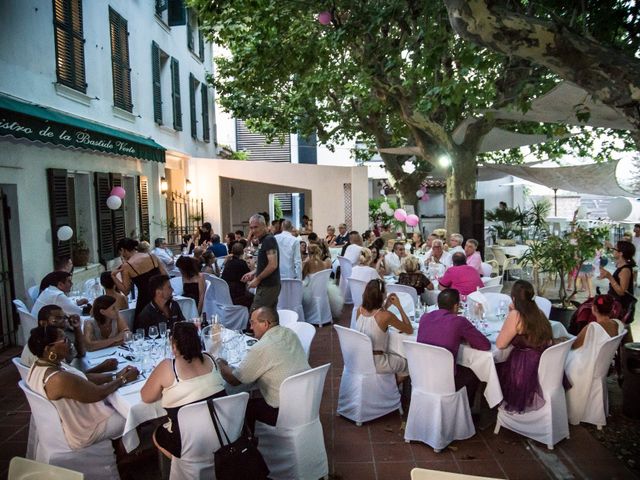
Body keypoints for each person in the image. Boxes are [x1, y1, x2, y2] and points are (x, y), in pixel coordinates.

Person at [26, 325, 137, 450]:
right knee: (133, 413)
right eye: (65, 340)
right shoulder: (58, 379)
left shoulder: (39, 366)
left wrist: (114, 376)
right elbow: (98, 394)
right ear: (49, 349)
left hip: (70, 422)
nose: (69, 342)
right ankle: (130, 452)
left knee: (120, 403)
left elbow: (81, 379)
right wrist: (123, 379)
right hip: (84, 430)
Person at [141, 321, 226, 459]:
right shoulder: (211, 359)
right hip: (222, 432)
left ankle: (177, 470)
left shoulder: (168, 367)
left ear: (174, 346)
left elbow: (146, 397)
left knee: (157, 431)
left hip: (188, 444)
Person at [217, 308, 310, 432]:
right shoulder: (290, 333)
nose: (250, 327)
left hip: (283, 411)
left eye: (253, 322)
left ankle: (249, 446)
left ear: (265, 324)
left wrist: (220, 363)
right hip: (306, 400)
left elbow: (234, 380)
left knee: (242, 407)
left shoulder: (261, 348)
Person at [417, 289, 490, 403]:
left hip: (422, 377)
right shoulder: (459, 321)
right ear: (456, 306)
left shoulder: (424, 318)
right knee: (474, 371)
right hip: (446, 382)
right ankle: (469, 410)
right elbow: (485, 345)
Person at [495, 280, 553, 413]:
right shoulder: (538, 312)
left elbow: (500, 344)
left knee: (493, 365)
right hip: (543, 363)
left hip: (524, 368)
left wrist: (511, 313)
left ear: (513, 297)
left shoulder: (516, 315)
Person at [565, 295, 624, 424]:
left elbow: (574, 345)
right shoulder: (618, 324)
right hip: (601, 366)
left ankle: (563, 406)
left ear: (594, 308)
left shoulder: (592, 327)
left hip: (587, 366)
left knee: (562, 361)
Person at [354, 279, 412, 380]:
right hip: (378, 362)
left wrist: (386, 306)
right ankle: (393, 390)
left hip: (361, 359)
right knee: (408, 364)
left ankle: (388, 386)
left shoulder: (359, 310)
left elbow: (374, 317)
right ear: (381, 295)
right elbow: (409, 329)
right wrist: (399, 306)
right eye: (385, 292)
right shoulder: (386, 316)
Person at [110, 238, 167, 326]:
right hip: (162, 298)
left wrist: (114, 276)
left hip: (145, 301)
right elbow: (165, 276)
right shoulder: (152, 256)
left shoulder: (127, 266)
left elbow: (126, 291)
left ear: (122, 250)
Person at [20, 304, 93, 368]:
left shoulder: (56, 339)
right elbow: (70, 377)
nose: (63, 321)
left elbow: (80, 353)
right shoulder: (46, 346)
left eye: (64, 318)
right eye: (57, 319)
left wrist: (77, 328)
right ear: (43, 323)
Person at [242, 214, 280, 312]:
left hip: (268, 285)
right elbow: (266, 263)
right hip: (268, 284)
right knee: (269, 316)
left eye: (256, 227)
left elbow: (273, 265)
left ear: (264, 225)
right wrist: (254, 272)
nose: (253, 230)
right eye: (251, 228)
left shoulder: (268, 240)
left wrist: (257, 279)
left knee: (256, 314)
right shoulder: (263, 240)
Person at [599, 240, 636, 323]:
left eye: (615, 249)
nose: (613, 250)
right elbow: (613, 257)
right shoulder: (621, 265)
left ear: (621, 253)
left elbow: (622, 292)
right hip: (616, 304)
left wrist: (610, 277)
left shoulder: (625, 270)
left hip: (621, 307)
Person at [221, 242, 254, 309]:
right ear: (242, 252)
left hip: (226, 295)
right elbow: (250, 278)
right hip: (237, 296)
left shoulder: (228, 263)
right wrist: (252, 267)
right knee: (255, 298)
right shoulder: (242, 263)